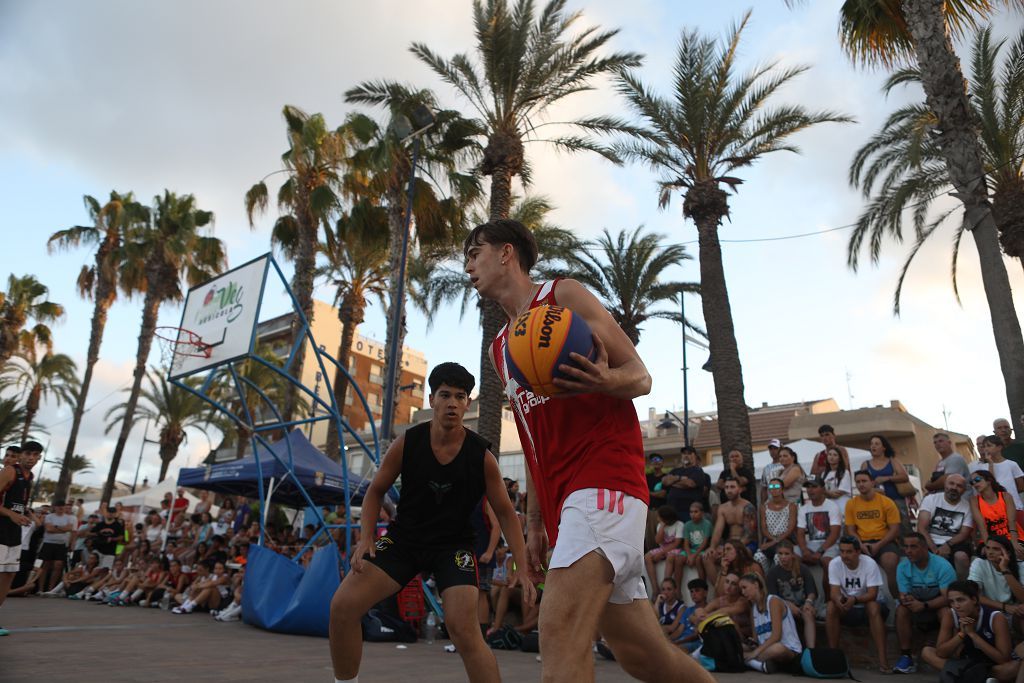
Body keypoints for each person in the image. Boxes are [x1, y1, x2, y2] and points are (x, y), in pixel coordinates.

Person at [466, 218, 714, 683]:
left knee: (559, 631)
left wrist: (606, 380)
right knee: (643, 656)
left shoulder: (563, 297)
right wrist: (537, 521)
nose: (468, 267)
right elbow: (535, 444)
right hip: (568, 506)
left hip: (605, 480)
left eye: (474, 252)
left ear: (506, 253)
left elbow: (640, 376)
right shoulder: (502, 348)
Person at [328, 362, 534, 683]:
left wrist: (522, 567)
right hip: (404, 541)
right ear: (432, 399)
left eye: (460, 396)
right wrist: (365, 537)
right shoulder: (407, 443)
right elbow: (375, 491)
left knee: (464, 632)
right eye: (445, 394)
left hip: (453, 547)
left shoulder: (482, 457)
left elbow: (507, 513)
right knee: (342, 606)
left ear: (467, 404)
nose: (452, 402)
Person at [920, 580, 1019, 682]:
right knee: (927, 652)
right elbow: (941, 652)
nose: (956, 606)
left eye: (960, 600)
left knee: (1013, 668)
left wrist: (973, 635)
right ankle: (979, 678)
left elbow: (1003, 659)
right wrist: (961, 635)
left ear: (974, 599)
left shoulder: (996, 617)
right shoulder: (951, 614)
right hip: (968, 663)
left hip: (992, 665)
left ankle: (968, 676)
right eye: (952, 602)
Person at [892, 532, 956, 674]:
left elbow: (949, 598)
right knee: (901, 610)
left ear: (925, 547)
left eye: (913, 547)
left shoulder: (943, 566)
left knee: (947, 612)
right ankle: (906, 656)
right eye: (906, 547)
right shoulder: (902, 567)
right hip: (915, 607)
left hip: (936, 608)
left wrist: (925, 605)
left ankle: (943, 656)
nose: (908, 551)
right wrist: (906, 599)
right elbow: (903, 594)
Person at [827, 536, 891, 673]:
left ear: (858, 552)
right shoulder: (834, 563)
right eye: (842, 551)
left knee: (873, 606)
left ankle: (883, 661)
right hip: (848, 606)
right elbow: (834, 592)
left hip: (869, 606)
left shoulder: (869, 563)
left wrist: (855, 599)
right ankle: (833, 658)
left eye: (849, 552)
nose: (844, 555)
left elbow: (873, 594)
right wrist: (839, 600)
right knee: (831, 606)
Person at [845, 470, 901, 598]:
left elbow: (895, 530)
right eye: (858, 482)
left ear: (872, 482)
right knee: (847, 559)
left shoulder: (887, 502)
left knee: (890, 561)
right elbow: (851, 530)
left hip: (884, 540)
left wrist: (879, 545)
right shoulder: (851, 504)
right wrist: (860, 544)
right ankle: (856, 597)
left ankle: (897, 598)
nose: (861, 484)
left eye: (864, 481)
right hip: (861, 542)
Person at [0, 442, 36, 636]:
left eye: (35, 455)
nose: (31, 457)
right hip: (1, 528)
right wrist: (10, 514)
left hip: (14, 531)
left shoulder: (29, 477)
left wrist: (26, 515)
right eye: (28, 453)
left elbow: (19, 505)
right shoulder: (9, 472)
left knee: (8, 575)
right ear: (22, 455)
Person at [739, 572, 802, 673]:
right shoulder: (753, 609)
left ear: (756, 585)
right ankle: (758, 664)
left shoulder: (773, 601)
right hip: (765, 650)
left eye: (744, 587)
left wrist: (755, 652)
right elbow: (756, 640)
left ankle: (748, 661)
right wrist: (751, 644)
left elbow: (776, 636)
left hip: (789, 650)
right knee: (739, 647)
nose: (742, 592)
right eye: (741, 589)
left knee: (778, 648)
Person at [918, 473, 974, 579]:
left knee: (961, 557)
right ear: (945, 485)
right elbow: (921, 528)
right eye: (951, 483)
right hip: (930, 541)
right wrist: (934, 549)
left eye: (959, 486)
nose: (954, 488)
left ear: (964, 490)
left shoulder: (967, 506)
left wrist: (947, 545)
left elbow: (964, 533)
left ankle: (962, 587)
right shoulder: (931, 499)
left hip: (954, 543)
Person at [766, 540, 818, 648]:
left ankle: (811, 650)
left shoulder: (802, 569)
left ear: (792, 555)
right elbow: (773, 598)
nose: (783, 557)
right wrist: (788, 605)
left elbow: (811, 591)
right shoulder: (773, 573)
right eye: (780, 554)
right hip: (783, 606)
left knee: (808, 614)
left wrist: (808, 602)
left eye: (786, 554)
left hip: (803, 604)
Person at [702, 479, 756, 581]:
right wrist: (713, 547)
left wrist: (732, 548)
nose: (729, 490)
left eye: (732, 487)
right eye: (726, 487)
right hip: (729, 543)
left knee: (737, 555)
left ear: (740, 489)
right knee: (708, 557)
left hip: (747, 544)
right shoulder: (723, 508)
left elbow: (750, 534)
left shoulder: (748, 507)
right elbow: (718, 530)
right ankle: (720, 589)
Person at [796, 476, 842, 590]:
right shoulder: (803, 508)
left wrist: (820, 552)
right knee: (792, 557)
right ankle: (805, 594)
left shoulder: (832, 506)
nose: (810, 490)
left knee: (827, 563)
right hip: (811, 545)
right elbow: (800, 533)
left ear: (822, 488)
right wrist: (804, 550)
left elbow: (835, 534)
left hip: (830, 545)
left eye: (814, 487)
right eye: (808, 487)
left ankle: (828, 598)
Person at [967, 535, 1024, 622]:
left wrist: (1004, 569)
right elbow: (973, 594)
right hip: (990, 609)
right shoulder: (979, 563)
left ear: (1008, 553)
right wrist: (1004, 607)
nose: (990, 552)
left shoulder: (1021, 565)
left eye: (995, 549)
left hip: (1015, 610)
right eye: (988, 548)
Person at [969, 469, 1024, 558]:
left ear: (989, 481)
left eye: (977, 479)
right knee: (987, 555)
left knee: (1018, 552)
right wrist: (988, 547)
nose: (975, 484)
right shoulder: (974, 501)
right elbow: (981, 526)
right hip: (990, 539)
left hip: (1011, 536)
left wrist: (1014, 542)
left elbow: (1012, 521)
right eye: (972, 482)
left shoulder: (1006, 496)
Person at [862, 434, 913, 529]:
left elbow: (905, 477)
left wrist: (887, 478)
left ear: (884, 448)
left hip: (895, 500)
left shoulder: (893, 461)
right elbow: (861, 482)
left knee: (903, 527)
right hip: (876, 502)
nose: (873, 446)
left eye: (877, 444)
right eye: (872, 444)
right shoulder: (865, 464)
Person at [973, 435, 1024, 528]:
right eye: (984, 446)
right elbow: (989, 485)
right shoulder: (983, 467)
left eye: (989, 445)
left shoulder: (1011, 464)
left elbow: (1021, 486)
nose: (985, 449)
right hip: (995, 511)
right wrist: (991, 464)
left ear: (999, 447)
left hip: (1015, 506)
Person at [756, 477, 797, 569]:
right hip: (770, 539)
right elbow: (764, 529)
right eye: (771, 486)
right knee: (758, 557)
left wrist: (775, 541)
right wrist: (772, 540)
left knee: (778, 557)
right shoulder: (764, 507)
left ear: (782, 489)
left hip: (786, 540)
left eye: (777, 486)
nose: (774, 489)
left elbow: (790, 529)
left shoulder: (791, 506)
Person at [644, 505, 683, 598]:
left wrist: (661, 553)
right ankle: (655, 588)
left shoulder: (679, 524)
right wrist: (662, 527)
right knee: (647, 557)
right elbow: (658, 541)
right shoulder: (660, 525)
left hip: (674, 549)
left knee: (670, 557)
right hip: (663, 548)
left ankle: (667, 584)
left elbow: (676, 543)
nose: (657, 518)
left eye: (659, 517)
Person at [38, 499, 76, 592]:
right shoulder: (49, 517)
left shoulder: (69, 518)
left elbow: (69, 528)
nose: (61, 508)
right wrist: (62, 529)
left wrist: (55, 527)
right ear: (55, 507)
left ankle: (51, 589)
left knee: (58, 565)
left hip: (61, 544)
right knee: (45, 565)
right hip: (48, 543)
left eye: (62, 506)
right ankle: (40, 589)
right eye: (59, 506)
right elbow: (48, 529)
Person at [664, 446, 709, 523]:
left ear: (694, 456)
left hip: (689, 512)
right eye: (684, 454)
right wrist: (680, 478)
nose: (686, 456)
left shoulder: (698, 471)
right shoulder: (675, 470)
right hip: (672, 511)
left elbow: (690, 484)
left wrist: (673, 482)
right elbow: (665, 481)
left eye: (689, 454)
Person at [676, 502, 711, 585]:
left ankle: (702, 585)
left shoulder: (707, 524)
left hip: (702, 550)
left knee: (699, 559)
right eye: (691, 512)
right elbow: (686, 544)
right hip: (692, 550)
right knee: (678, 559)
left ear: (702, 513)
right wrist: (689, 556)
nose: (693, 514)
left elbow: (705, 543)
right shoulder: (687, 525)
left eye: (696, 512)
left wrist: (693, 556)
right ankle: (677, 588)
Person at [822, 446, 853, 518]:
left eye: (835, 455)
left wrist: (823, 490)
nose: (831, 457)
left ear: (839, 459)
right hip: (828, 509)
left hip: (842, 509)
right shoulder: (824, 474)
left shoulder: (845, 472)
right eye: (829, 454)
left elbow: (837, 494)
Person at [645, 454, 668, 550]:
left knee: (663, 537)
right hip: (649, 511)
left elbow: (663, 494)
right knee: (649, 538)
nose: (656, 461)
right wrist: (654, 493)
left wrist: (649, 492)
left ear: (663, 463)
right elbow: (643, 492)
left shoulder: (667, 477)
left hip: (662, 511)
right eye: (653, 460)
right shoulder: (646, 477)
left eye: (659, 459)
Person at [759, 439, 784, 503]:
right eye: (770, 449)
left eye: (775, 448)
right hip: (771, 504)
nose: (772, 451)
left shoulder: (786, 465)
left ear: (781, 449)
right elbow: (764, 489)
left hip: (786, 502)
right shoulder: (766, 468)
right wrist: (762, 504)